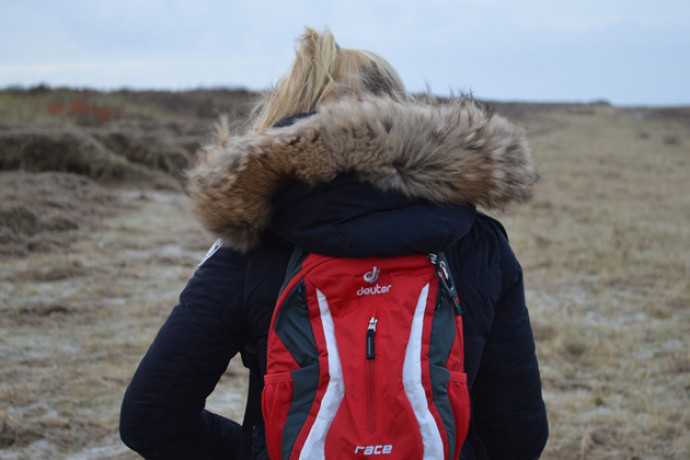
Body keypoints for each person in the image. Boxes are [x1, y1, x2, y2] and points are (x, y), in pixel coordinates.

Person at [119, 27, 548, 459]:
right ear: (403, 114)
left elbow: (151, 418)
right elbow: (519, 438)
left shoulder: (252, 249)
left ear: (289, 115)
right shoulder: (480, 244)